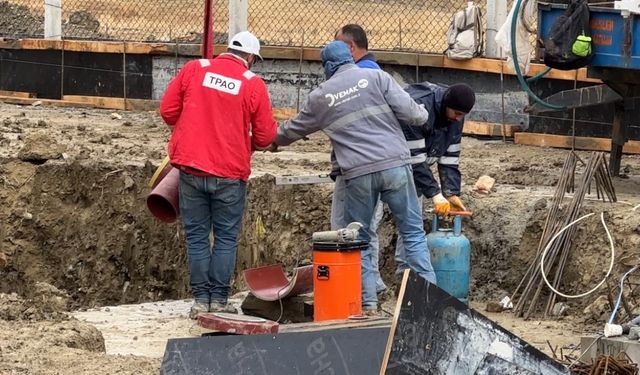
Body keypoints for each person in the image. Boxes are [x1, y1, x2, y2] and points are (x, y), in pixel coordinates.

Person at [268, 41, 437, 314]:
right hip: (395, 165)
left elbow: (292, 129)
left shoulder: (321, 96)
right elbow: (413, 114)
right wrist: (424, 114)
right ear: (350, 57)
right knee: (413, 233)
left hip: (358, 174)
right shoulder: (377, 77)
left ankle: (368, 305)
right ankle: (429, 304)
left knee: (362, 238)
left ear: (327, 67)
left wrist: (272, 141)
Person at [159, 31, 278, 319]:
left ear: (228, 50)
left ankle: (201, 301)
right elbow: (265, 137)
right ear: (250, 57)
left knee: (197, 236)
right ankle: (219, 300)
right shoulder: (252, 83)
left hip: (191, 168)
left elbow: (168, 111)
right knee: (225, 237)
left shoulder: (195, 69)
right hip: (229, 173)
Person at [395, 82, 475, 276]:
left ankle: (406, 273)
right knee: (376, 220)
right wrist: (435, 193)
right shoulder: (418, 108)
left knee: (412, 220)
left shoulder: (456, 116)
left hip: (414, 166)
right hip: (388, 163)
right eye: (456, 114)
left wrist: (451, 193)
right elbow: (414, 160)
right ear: (446, 105)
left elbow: (450, 158)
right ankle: (372, 283)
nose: (458, 119)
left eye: (462, 115)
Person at [330, 24, 386, 294]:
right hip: (379, 164)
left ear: (350, 48)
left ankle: (354, 289)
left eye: (338, 47)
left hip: (355, 168)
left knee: (344, 228)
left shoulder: (355, 78)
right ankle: (370, 284)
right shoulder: (377, 75)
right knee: (367, 228)